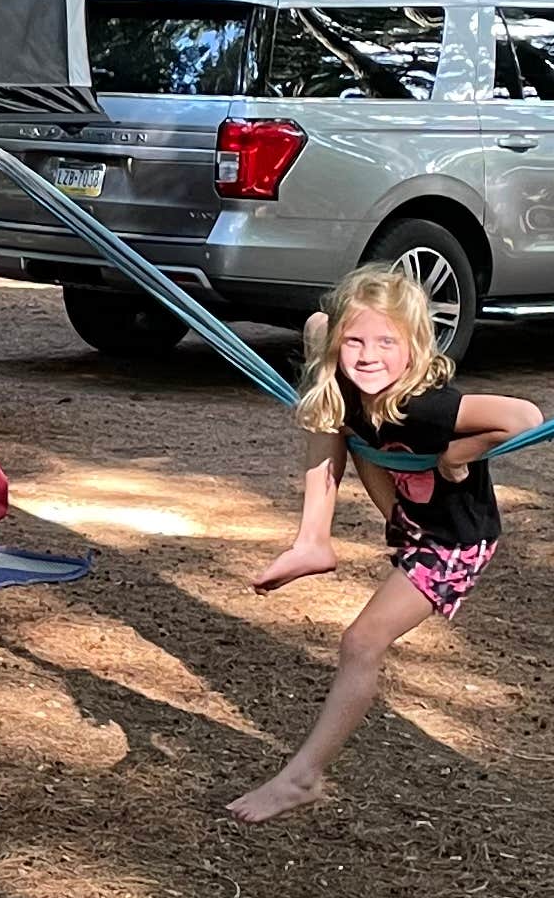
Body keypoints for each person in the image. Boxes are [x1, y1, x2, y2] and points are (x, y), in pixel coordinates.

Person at [228, 265, 537, 822]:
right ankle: (313, 539)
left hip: (453, 540)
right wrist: (335, 335)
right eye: (356, 341)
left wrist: (456, 455)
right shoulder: (346, 372)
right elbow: (320, 324)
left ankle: (303, 777)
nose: (369, 356)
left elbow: (525, 417)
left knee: (361, 643)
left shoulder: (426, 405)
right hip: (410, 515)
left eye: (387, 343)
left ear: (417, 349)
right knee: (327, 400)